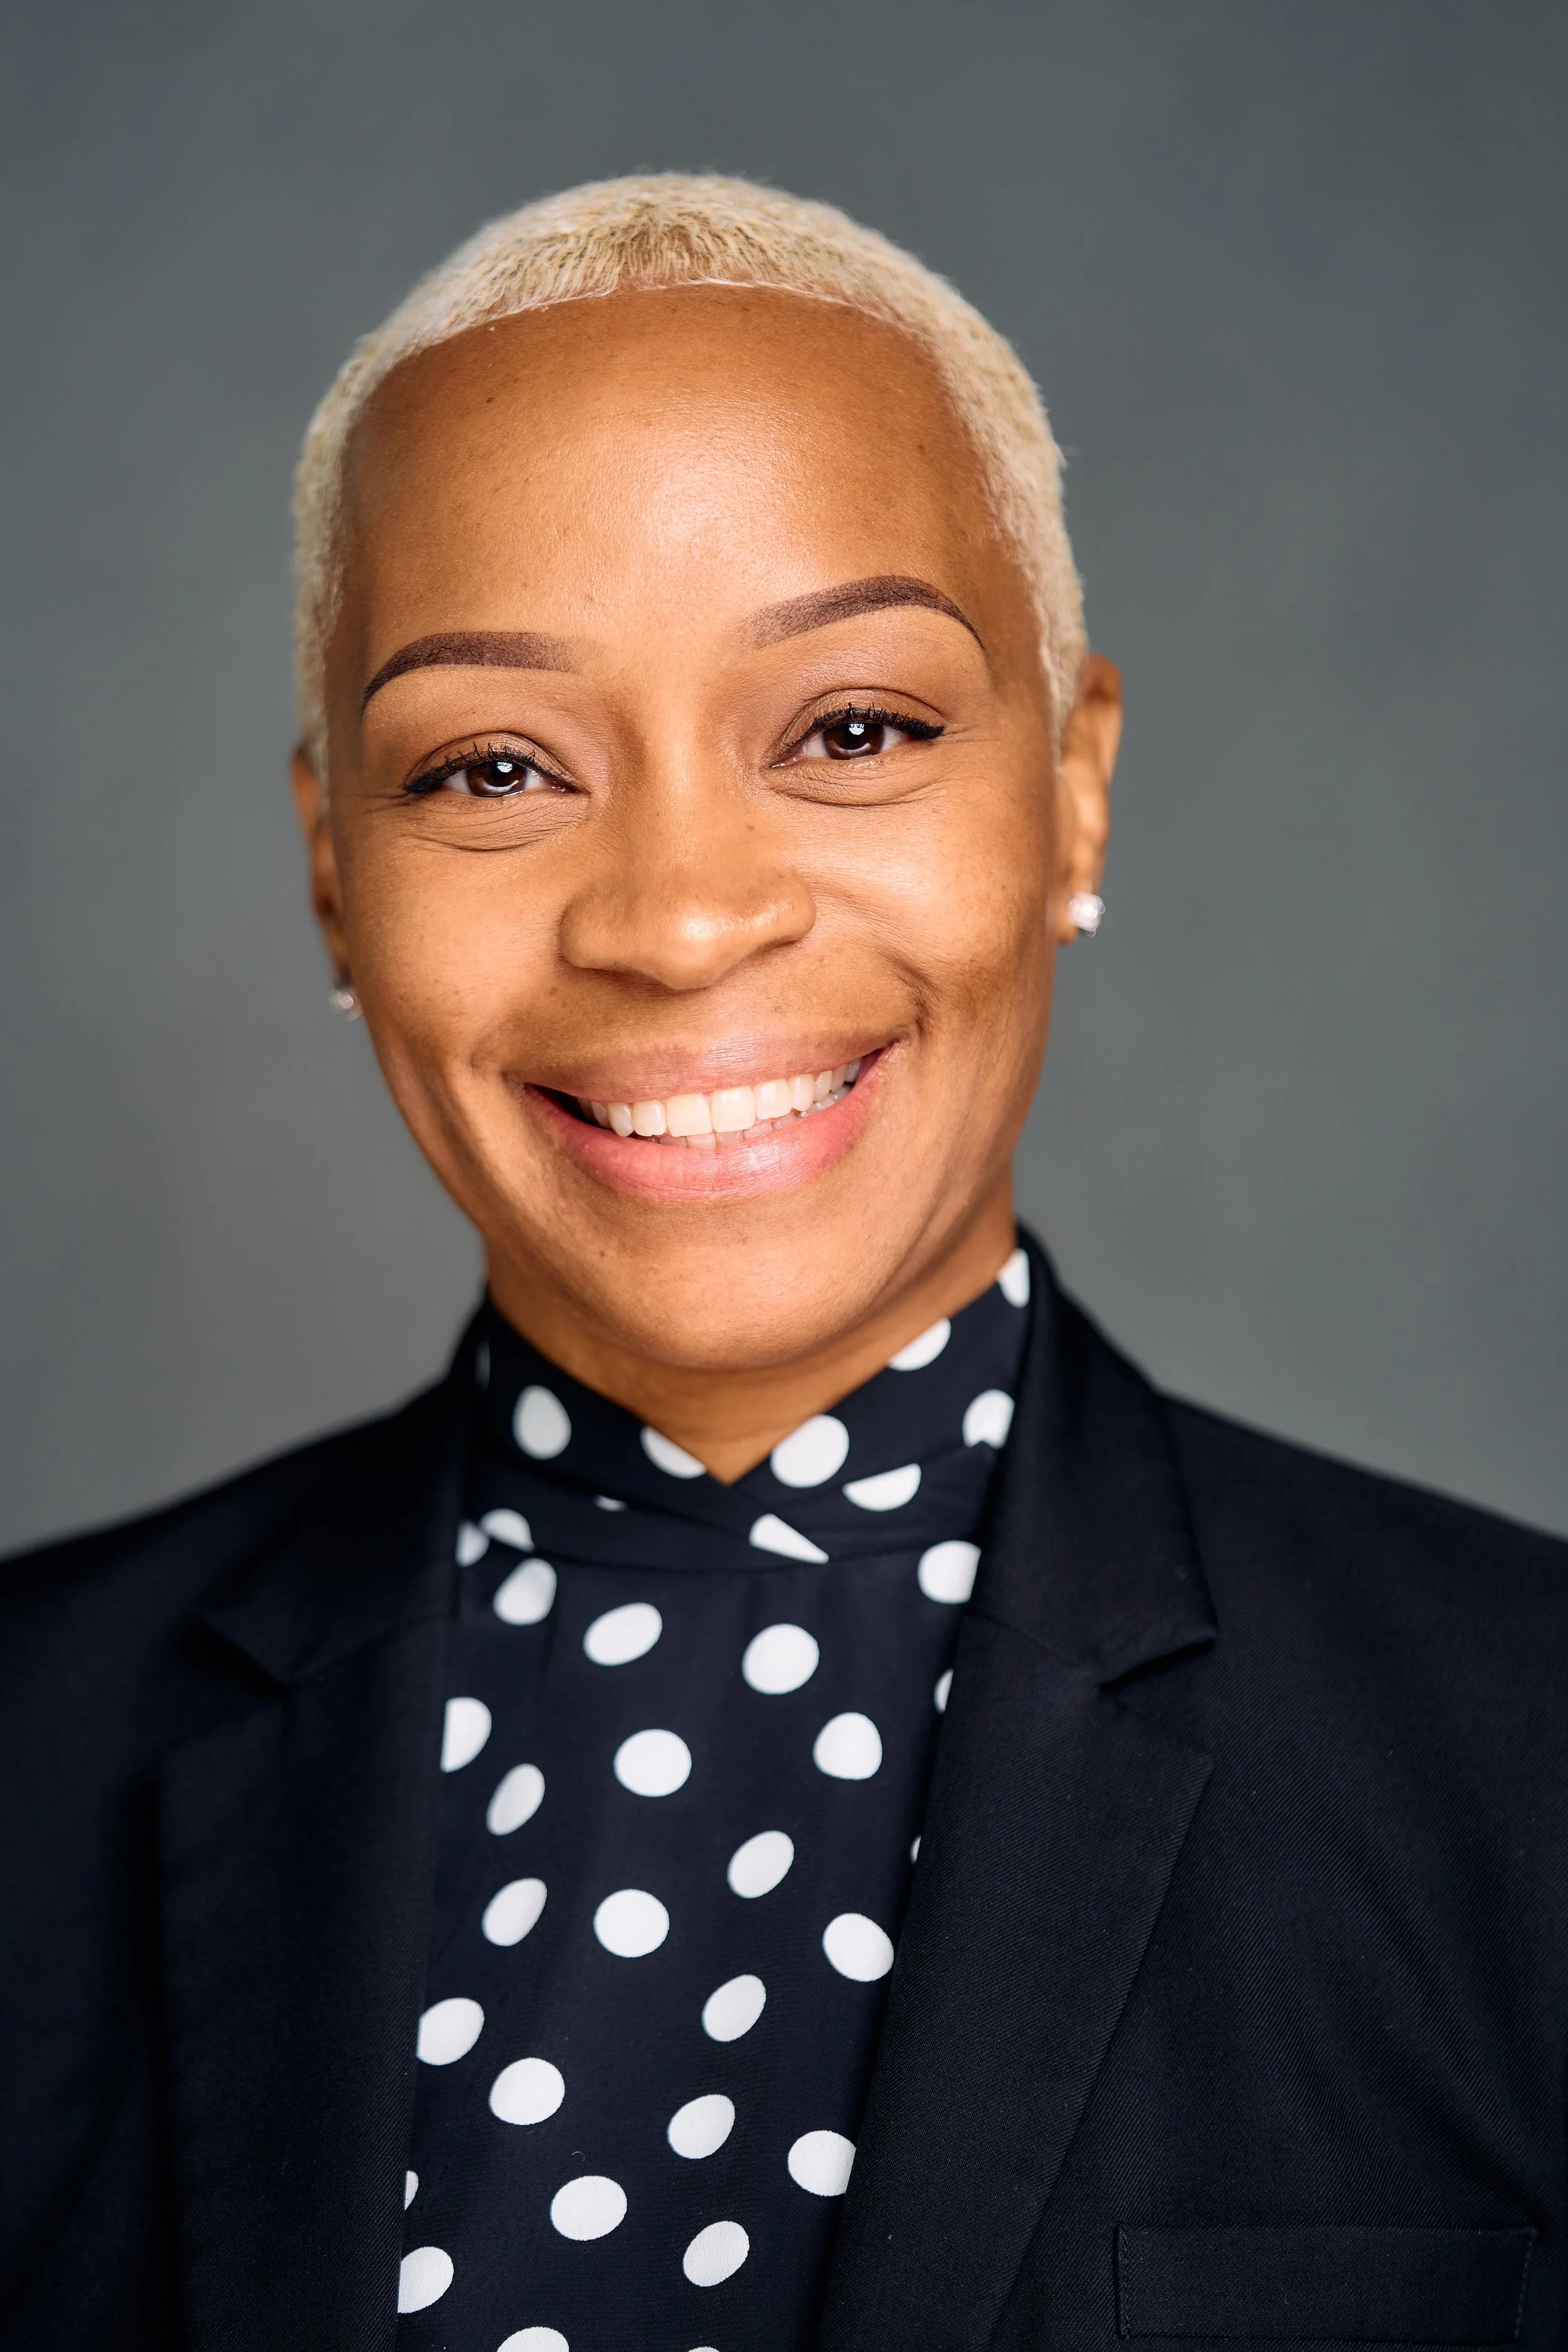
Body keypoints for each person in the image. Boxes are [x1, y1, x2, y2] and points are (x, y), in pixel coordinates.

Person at [0, 174, 1562, 2352]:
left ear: (1073, 794)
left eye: (851, 729)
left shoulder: (1526, 1757)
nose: (677, 911)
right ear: (334, 878)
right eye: (491, 764)